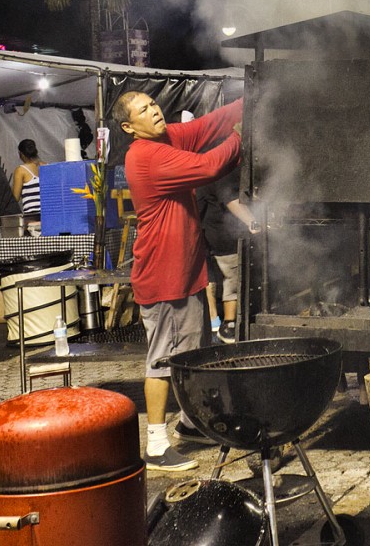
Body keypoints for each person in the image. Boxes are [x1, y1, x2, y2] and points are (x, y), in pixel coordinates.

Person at [113, 90, 243, 472]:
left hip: (186, 272)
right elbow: (207, 167)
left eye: (153, 104)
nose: (154, 111)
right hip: (163, 274)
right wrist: (240, 136)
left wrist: (248, 100)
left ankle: (190, 424)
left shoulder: (166, 136)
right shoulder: (145, 156)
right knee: (163, 361)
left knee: (192, 351)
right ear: (128, 126)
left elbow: (204, 127)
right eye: (143, 110)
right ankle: (155, 445)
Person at [197, 165, 261, 343]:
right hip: (221, 233)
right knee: (232, 274)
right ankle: (228, 326)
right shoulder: (225, 167)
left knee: (211, 277)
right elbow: (231, 199)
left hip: (206, 227)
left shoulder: (210, 161)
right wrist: (254, 222)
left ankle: (215, 323)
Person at [12, 139, 44, 217]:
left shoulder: (21, 170)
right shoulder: (46, 166)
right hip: (47, 213)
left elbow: (15, 198)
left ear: (21, 154)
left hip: (32, 215)